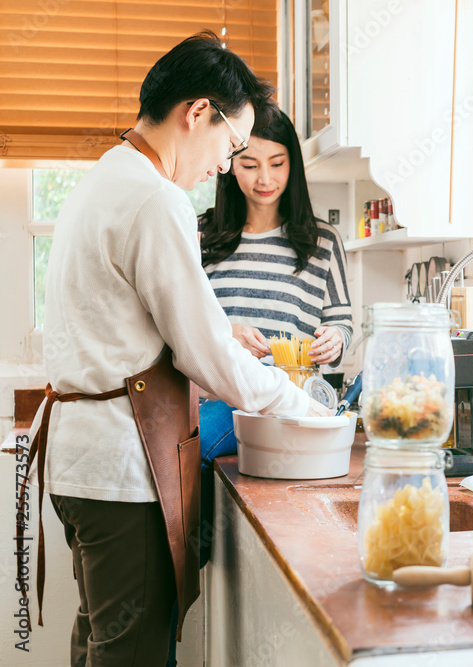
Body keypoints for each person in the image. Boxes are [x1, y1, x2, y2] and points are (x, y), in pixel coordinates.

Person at [22, 32, 329, 667]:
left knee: (102, 645)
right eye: (231, 144)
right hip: (122, 468)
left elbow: (158, 327)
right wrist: (304, 406)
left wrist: (217, 334)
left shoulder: (108, 174)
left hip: (84, 465)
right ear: (197, 113)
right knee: (131, 655)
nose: (226, 165)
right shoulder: (155, 197)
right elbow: (207, 356)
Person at [163, 103, 354, 665]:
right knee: (178, 527)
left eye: (277, 163)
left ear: (294, 164)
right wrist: (225, 329)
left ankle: (166, 586)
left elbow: (341, 321)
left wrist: (334, 342)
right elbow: (178, 325)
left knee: (173, 540)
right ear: (228, 164)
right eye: (248, 164)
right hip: (213, 407)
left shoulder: (321, 241)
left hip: (283, 415)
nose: (264, 179)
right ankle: (168, 592)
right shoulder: (201, 234)